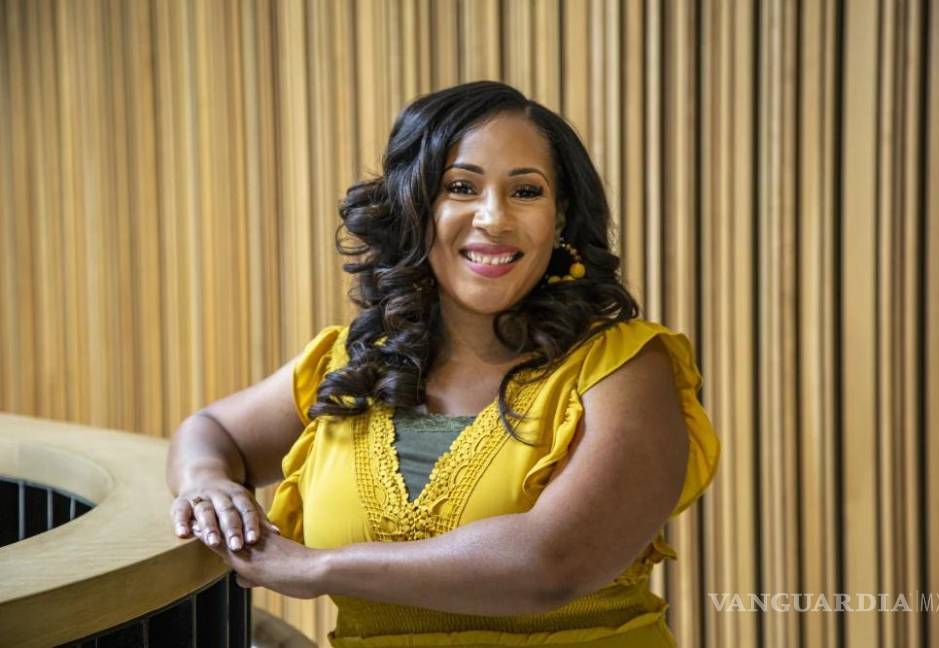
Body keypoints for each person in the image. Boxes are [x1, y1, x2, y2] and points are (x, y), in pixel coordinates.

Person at [166, 80, 720, 647]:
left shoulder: (625, 367)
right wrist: (206, 482)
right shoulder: (350, 364)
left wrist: (316, 567)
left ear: (559, 219)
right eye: (460, 187)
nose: (494, 218)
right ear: (414, 207)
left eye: (525, 191)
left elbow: (555, 562)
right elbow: (211, 431)